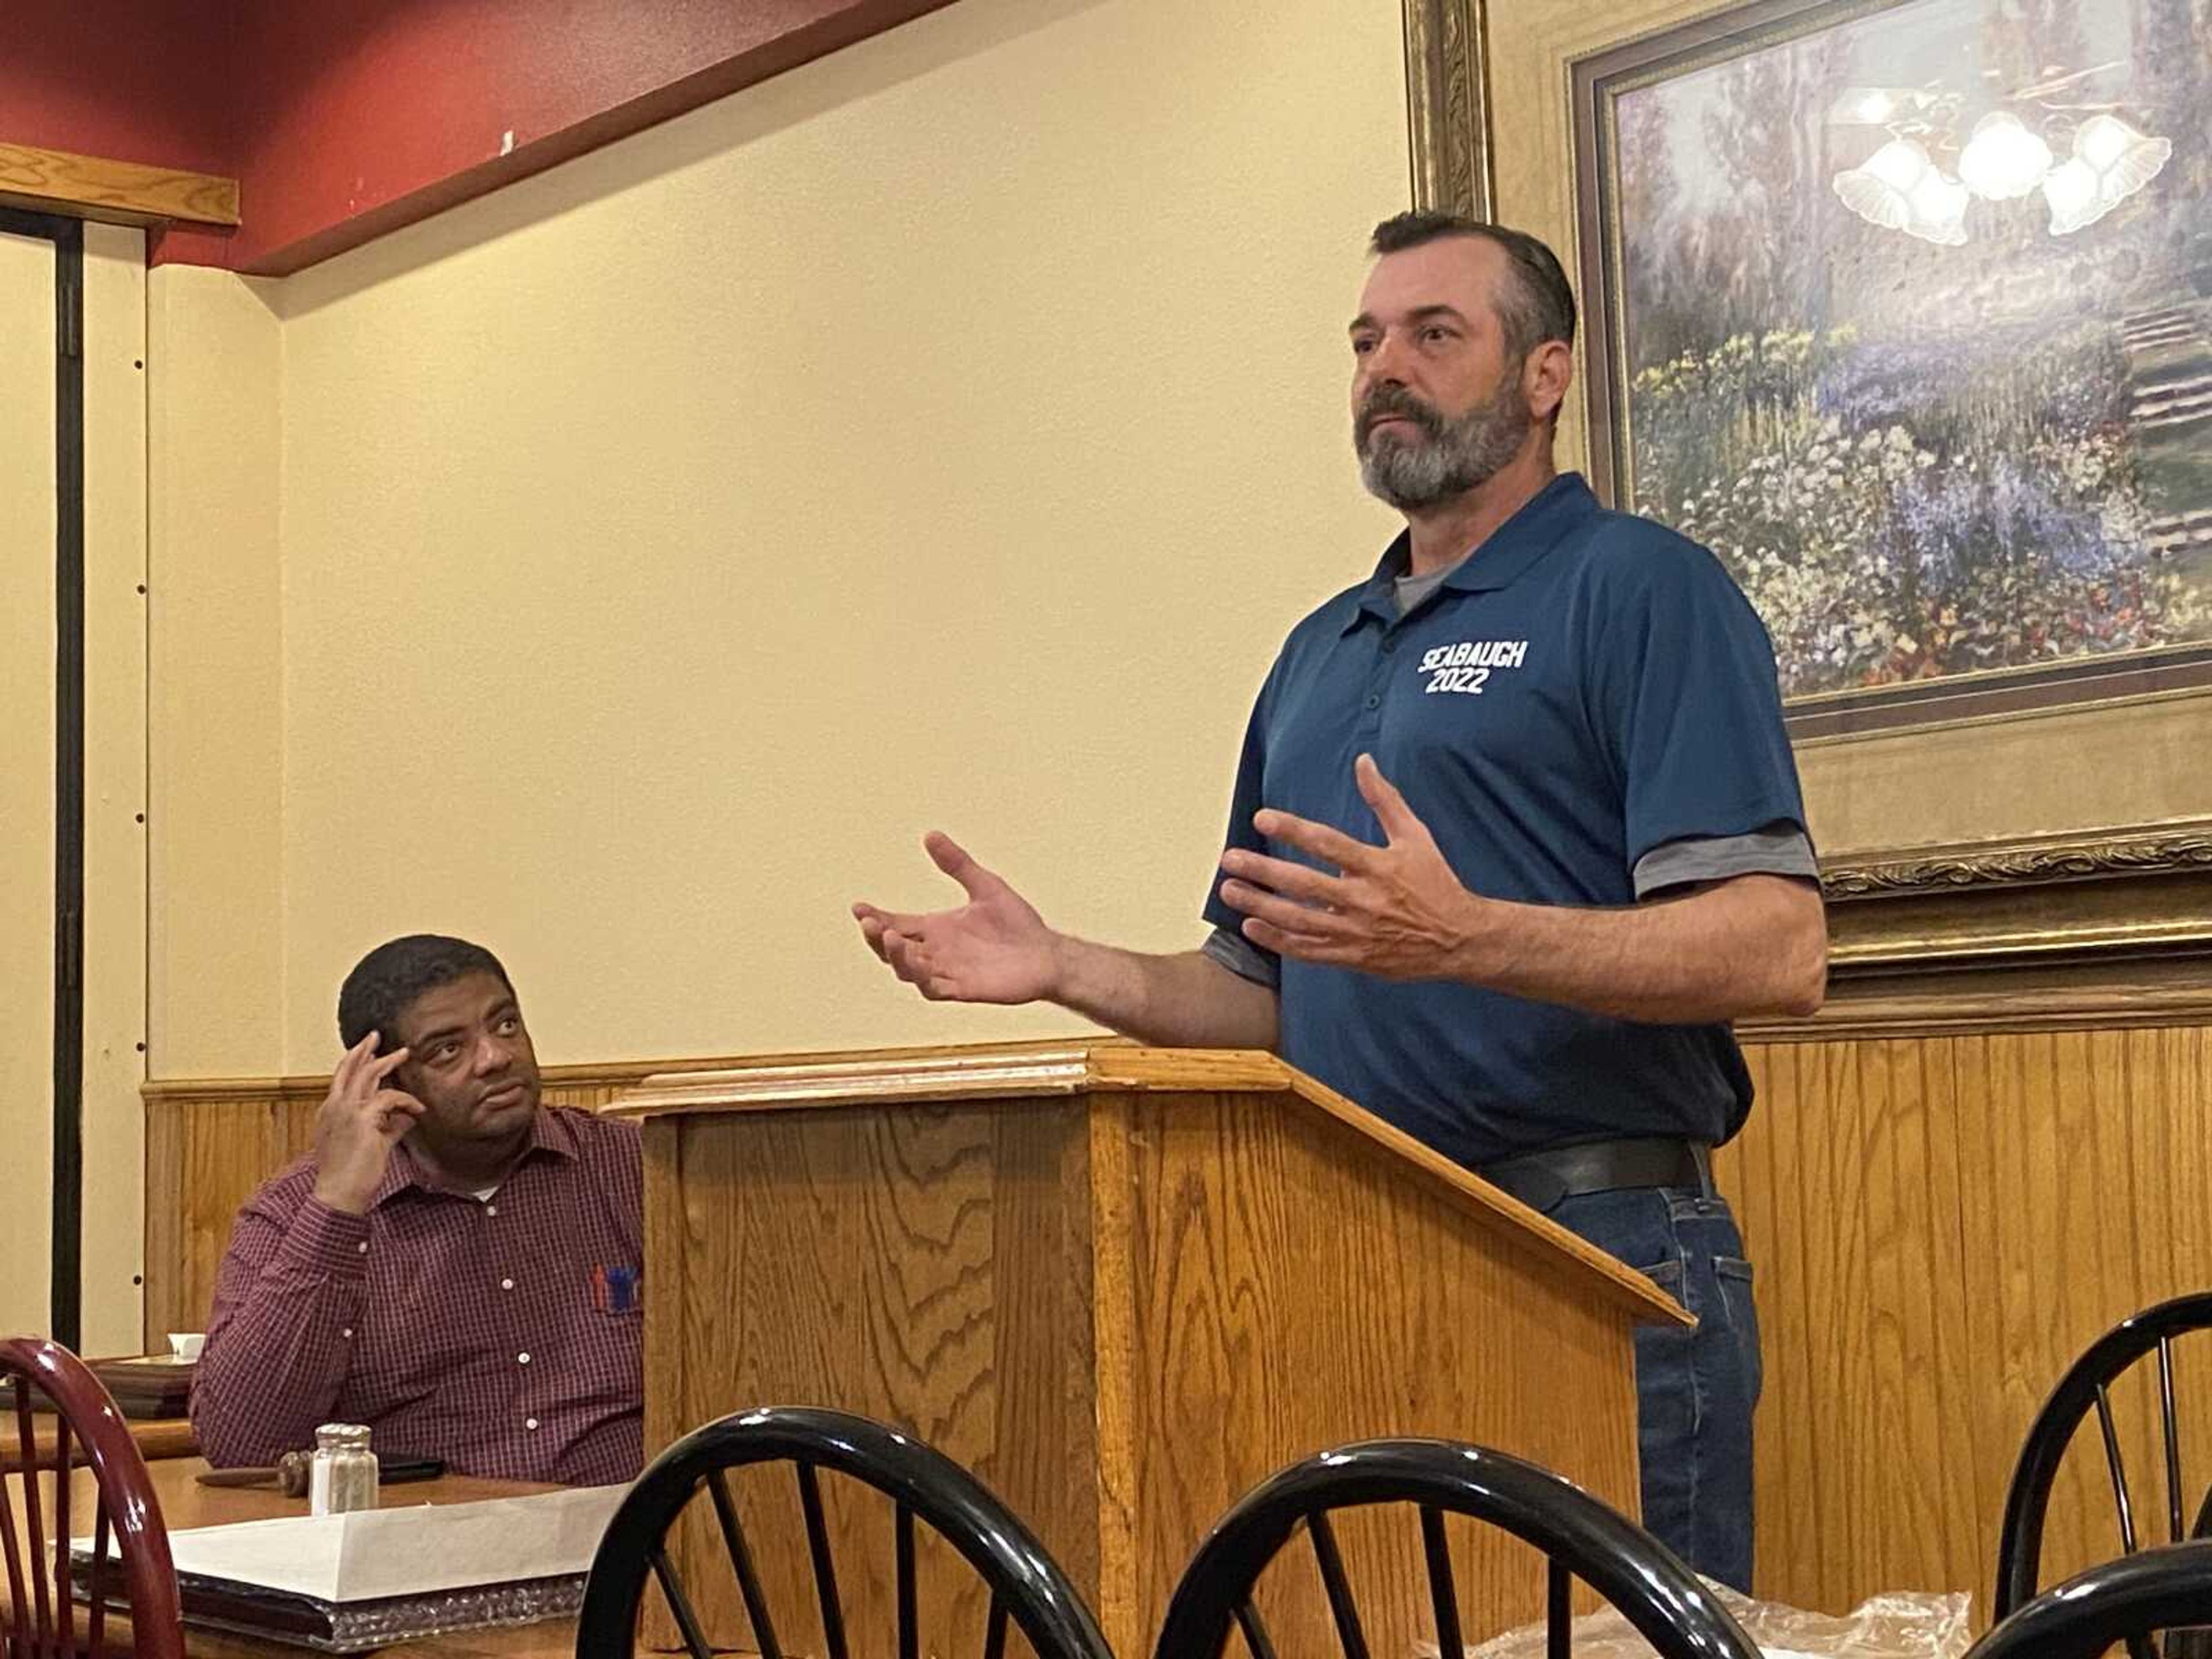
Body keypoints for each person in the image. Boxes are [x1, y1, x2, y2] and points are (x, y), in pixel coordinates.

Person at [850, 211, 1826, 1589]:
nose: (1384, 367)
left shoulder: (1640, 589)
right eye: (1365, 341)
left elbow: (1777, 948)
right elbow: (1256, 993)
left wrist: (1466, 935)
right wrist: (1063, 962)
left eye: (1434, 334)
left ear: (1543, 376)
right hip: (1347, 1250)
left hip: (1593, 1250)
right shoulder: (1319, 650)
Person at [192, 935, 644, 1486]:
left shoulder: (634, 1168)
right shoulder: (291, 1213)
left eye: (505, 1025)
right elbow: (241, 1446)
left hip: (640, 1547)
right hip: (419, 1552)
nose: (496, 1058)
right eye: (448, 1050)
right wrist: (338, 1205)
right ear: (386, 1080)